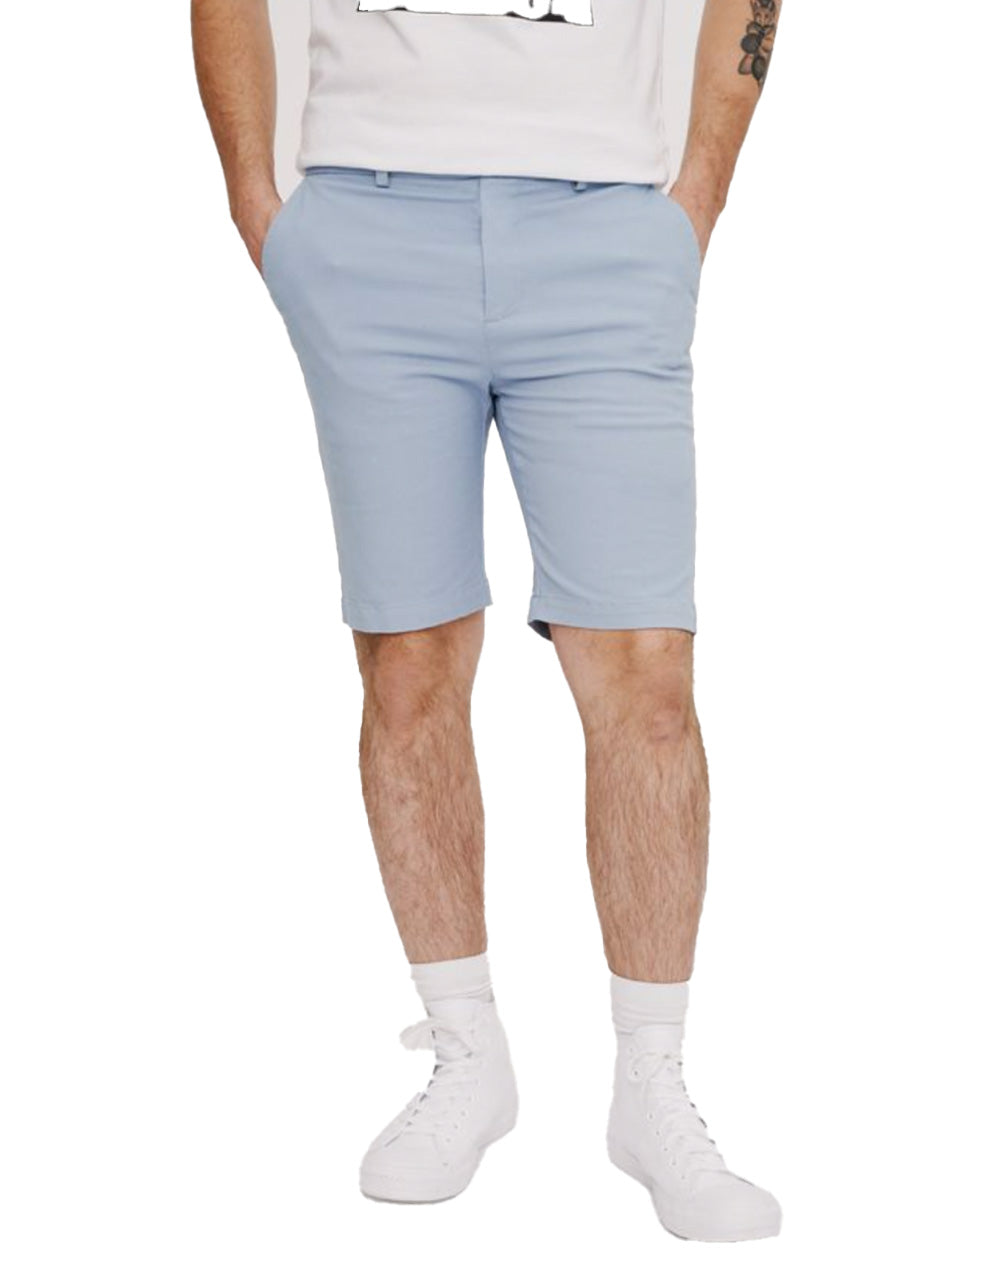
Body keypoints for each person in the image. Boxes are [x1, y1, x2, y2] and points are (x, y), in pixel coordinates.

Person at [192, 0, 783, 1242]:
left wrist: (699, 190)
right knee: (408, 661)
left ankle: (651, 1077)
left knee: (645, 676)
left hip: (605, 221)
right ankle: (465, 1047)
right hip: (367, 223)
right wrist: (256, 200)